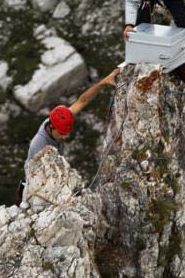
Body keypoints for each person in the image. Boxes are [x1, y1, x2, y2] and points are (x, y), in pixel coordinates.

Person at [15, 68, 119, 201]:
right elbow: (37, 177)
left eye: (66, 133)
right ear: (52, 127)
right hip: (35, 184)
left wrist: (103, 82)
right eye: (62, 134)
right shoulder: (38, 145)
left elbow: (82, 100)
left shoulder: (58, 120)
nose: (65, 137)